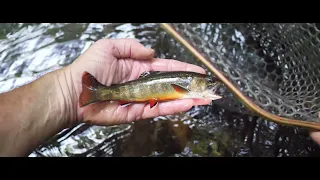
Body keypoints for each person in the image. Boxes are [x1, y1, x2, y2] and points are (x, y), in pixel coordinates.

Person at [0, 38, 319, 157]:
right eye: (207, 85)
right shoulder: (186, 86)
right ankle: (95, 93)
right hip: (129, 90)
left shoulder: (188, 86)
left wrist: (67, 93)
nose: (213, 90)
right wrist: (70, 90)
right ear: (193, 86)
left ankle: (93, 94)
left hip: (129, 91)